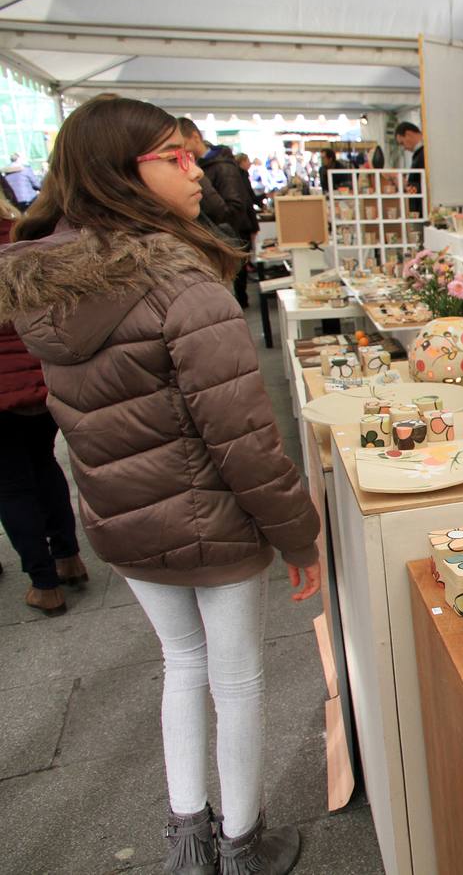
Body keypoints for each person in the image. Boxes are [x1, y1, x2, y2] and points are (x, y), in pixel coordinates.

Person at [0, 96, 320, 874]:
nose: (195, 170)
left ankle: (187, 844)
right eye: (173, 156)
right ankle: (243, 842)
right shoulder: (182, 284)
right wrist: (298, 536)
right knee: (235, 675)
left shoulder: (47, 285)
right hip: (209, 519)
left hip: (120, 516)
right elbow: (244, 440)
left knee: (183, 664)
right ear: (122, 172)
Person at [0, 189, 89, 616]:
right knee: (44, 465)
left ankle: (43, 581)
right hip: (38, 379)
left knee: (12, 485)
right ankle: (68, 556)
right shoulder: (21, 236)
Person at [178, 119, 257, 306]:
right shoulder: (209, 166)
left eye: (181, 145)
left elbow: (233, 210)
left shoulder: (220, 168)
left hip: (223, 242)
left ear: (195, 137)